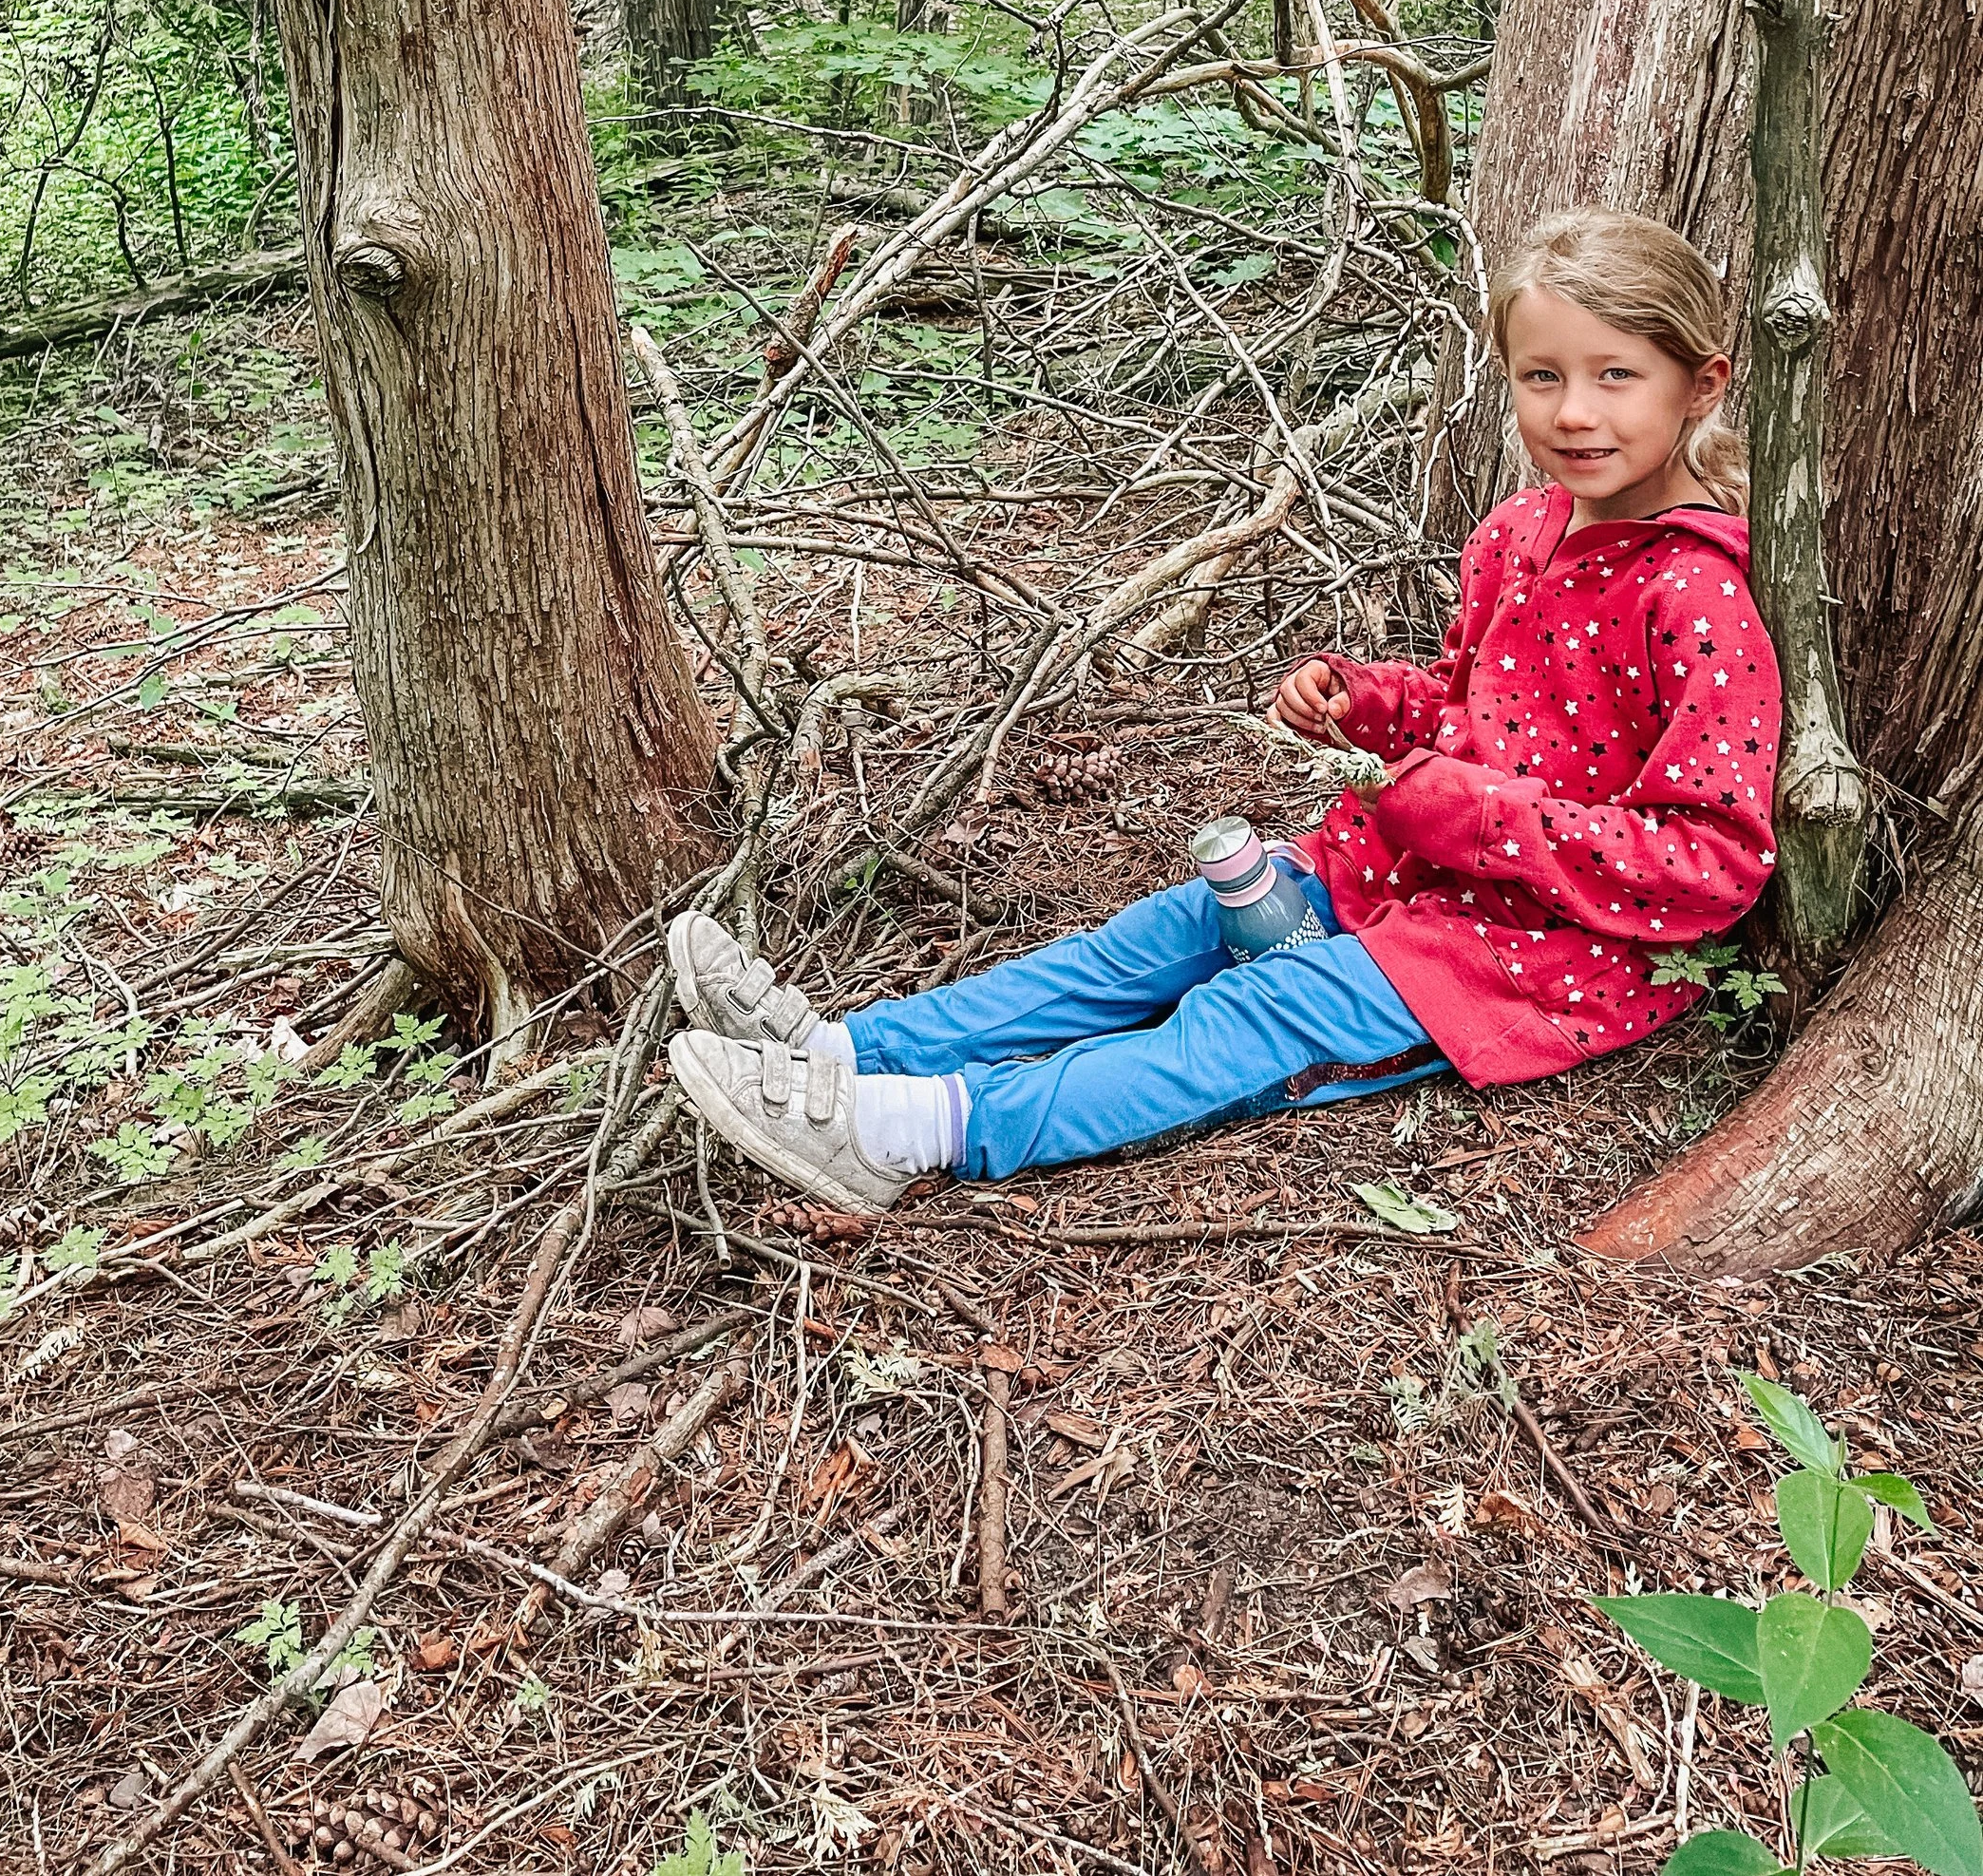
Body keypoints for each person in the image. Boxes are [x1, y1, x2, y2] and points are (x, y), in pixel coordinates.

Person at [667, 208, 1783, 1216]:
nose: (1574, 412)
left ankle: (909, 1135)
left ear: (1703, 383)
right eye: (1541, 378)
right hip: (1393, 867)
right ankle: (846, 1050)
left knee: (1246, 1020)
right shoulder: (1519, 529)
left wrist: (1466, 815)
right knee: (1148, 942)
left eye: (1615, 377)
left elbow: (1713, 857)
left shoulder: (1693, 592)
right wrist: (1370, 703)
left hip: (1530, 954)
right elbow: (1470, 705)